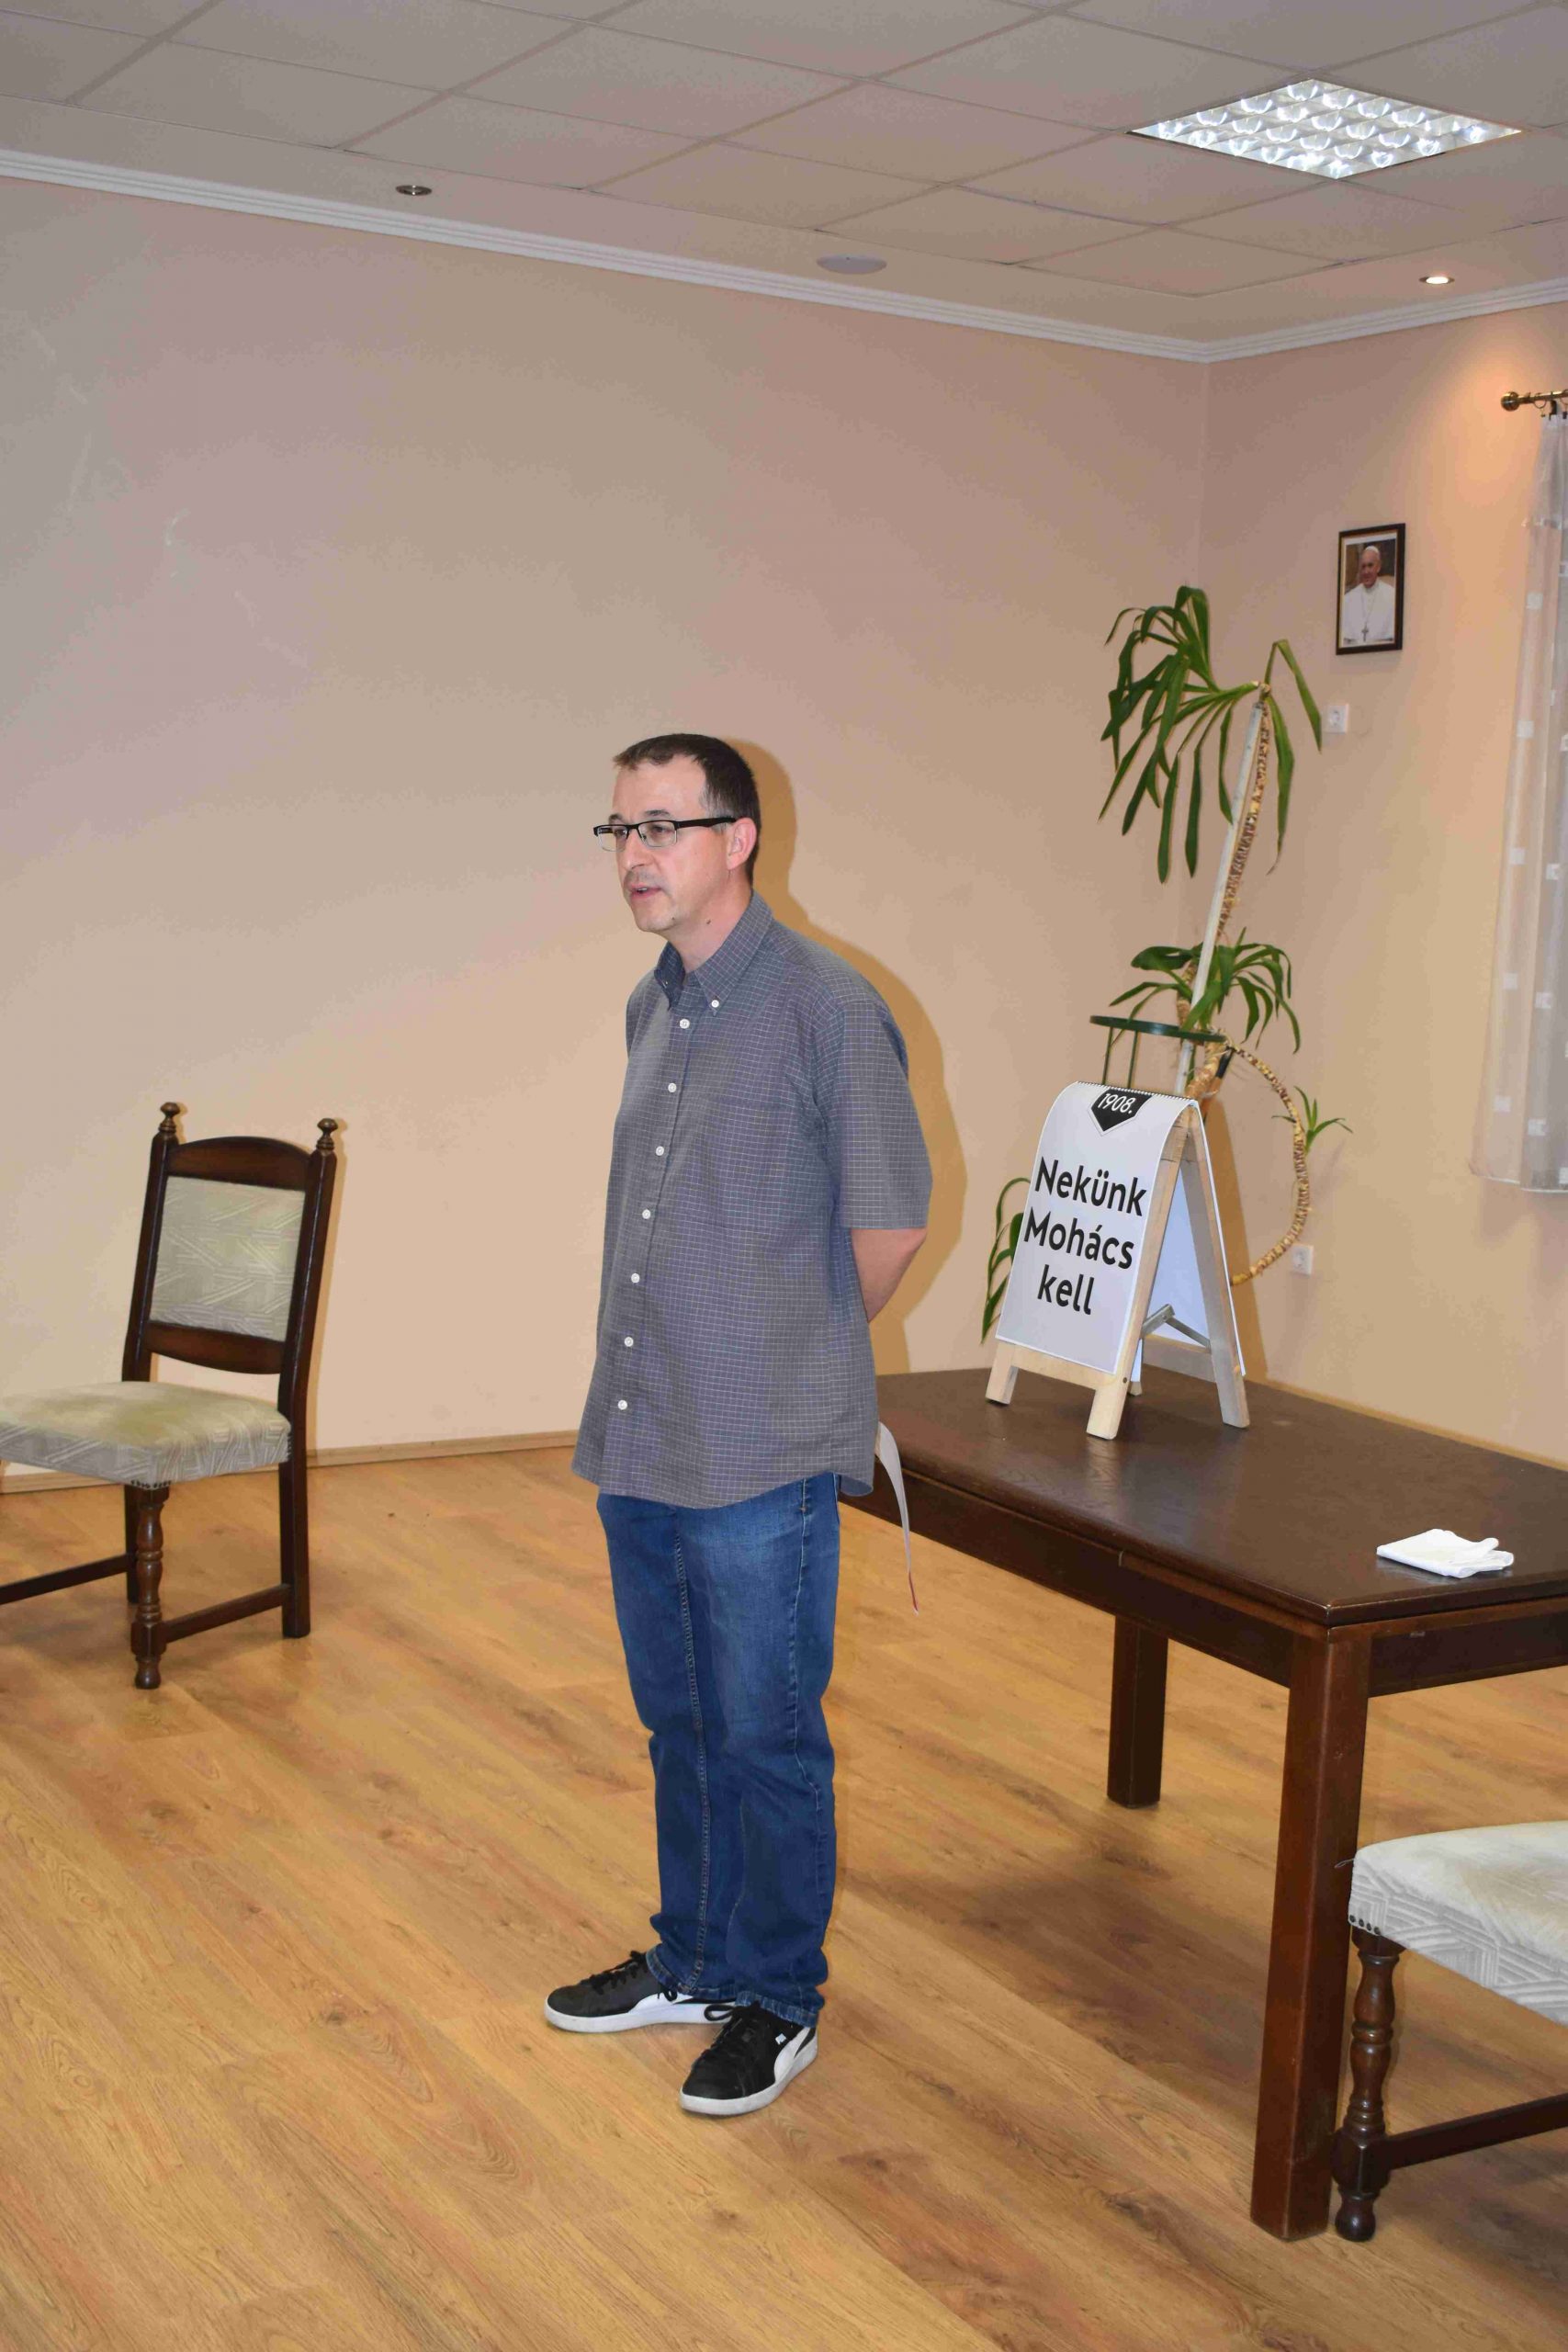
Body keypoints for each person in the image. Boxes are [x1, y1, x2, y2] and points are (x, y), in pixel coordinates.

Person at [547, 732, 930, 2119]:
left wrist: (789, 1347)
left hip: (759, 1444)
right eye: (620, 831)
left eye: (663, 826)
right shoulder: (652, 1007)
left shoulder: (828, 1009)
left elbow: (888, 1227)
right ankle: (696, 1956)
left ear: (739, 838)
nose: (635, 856)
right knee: (678, 1717)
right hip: (645, 1425)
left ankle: (775, 1996)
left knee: (764, 1733)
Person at [1340, 541, 1396, 646]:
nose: (1366, 571)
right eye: (1363, 566)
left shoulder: (1392, 596)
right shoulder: (1347, 599)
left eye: (1370, 566)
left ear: (1378, 567)